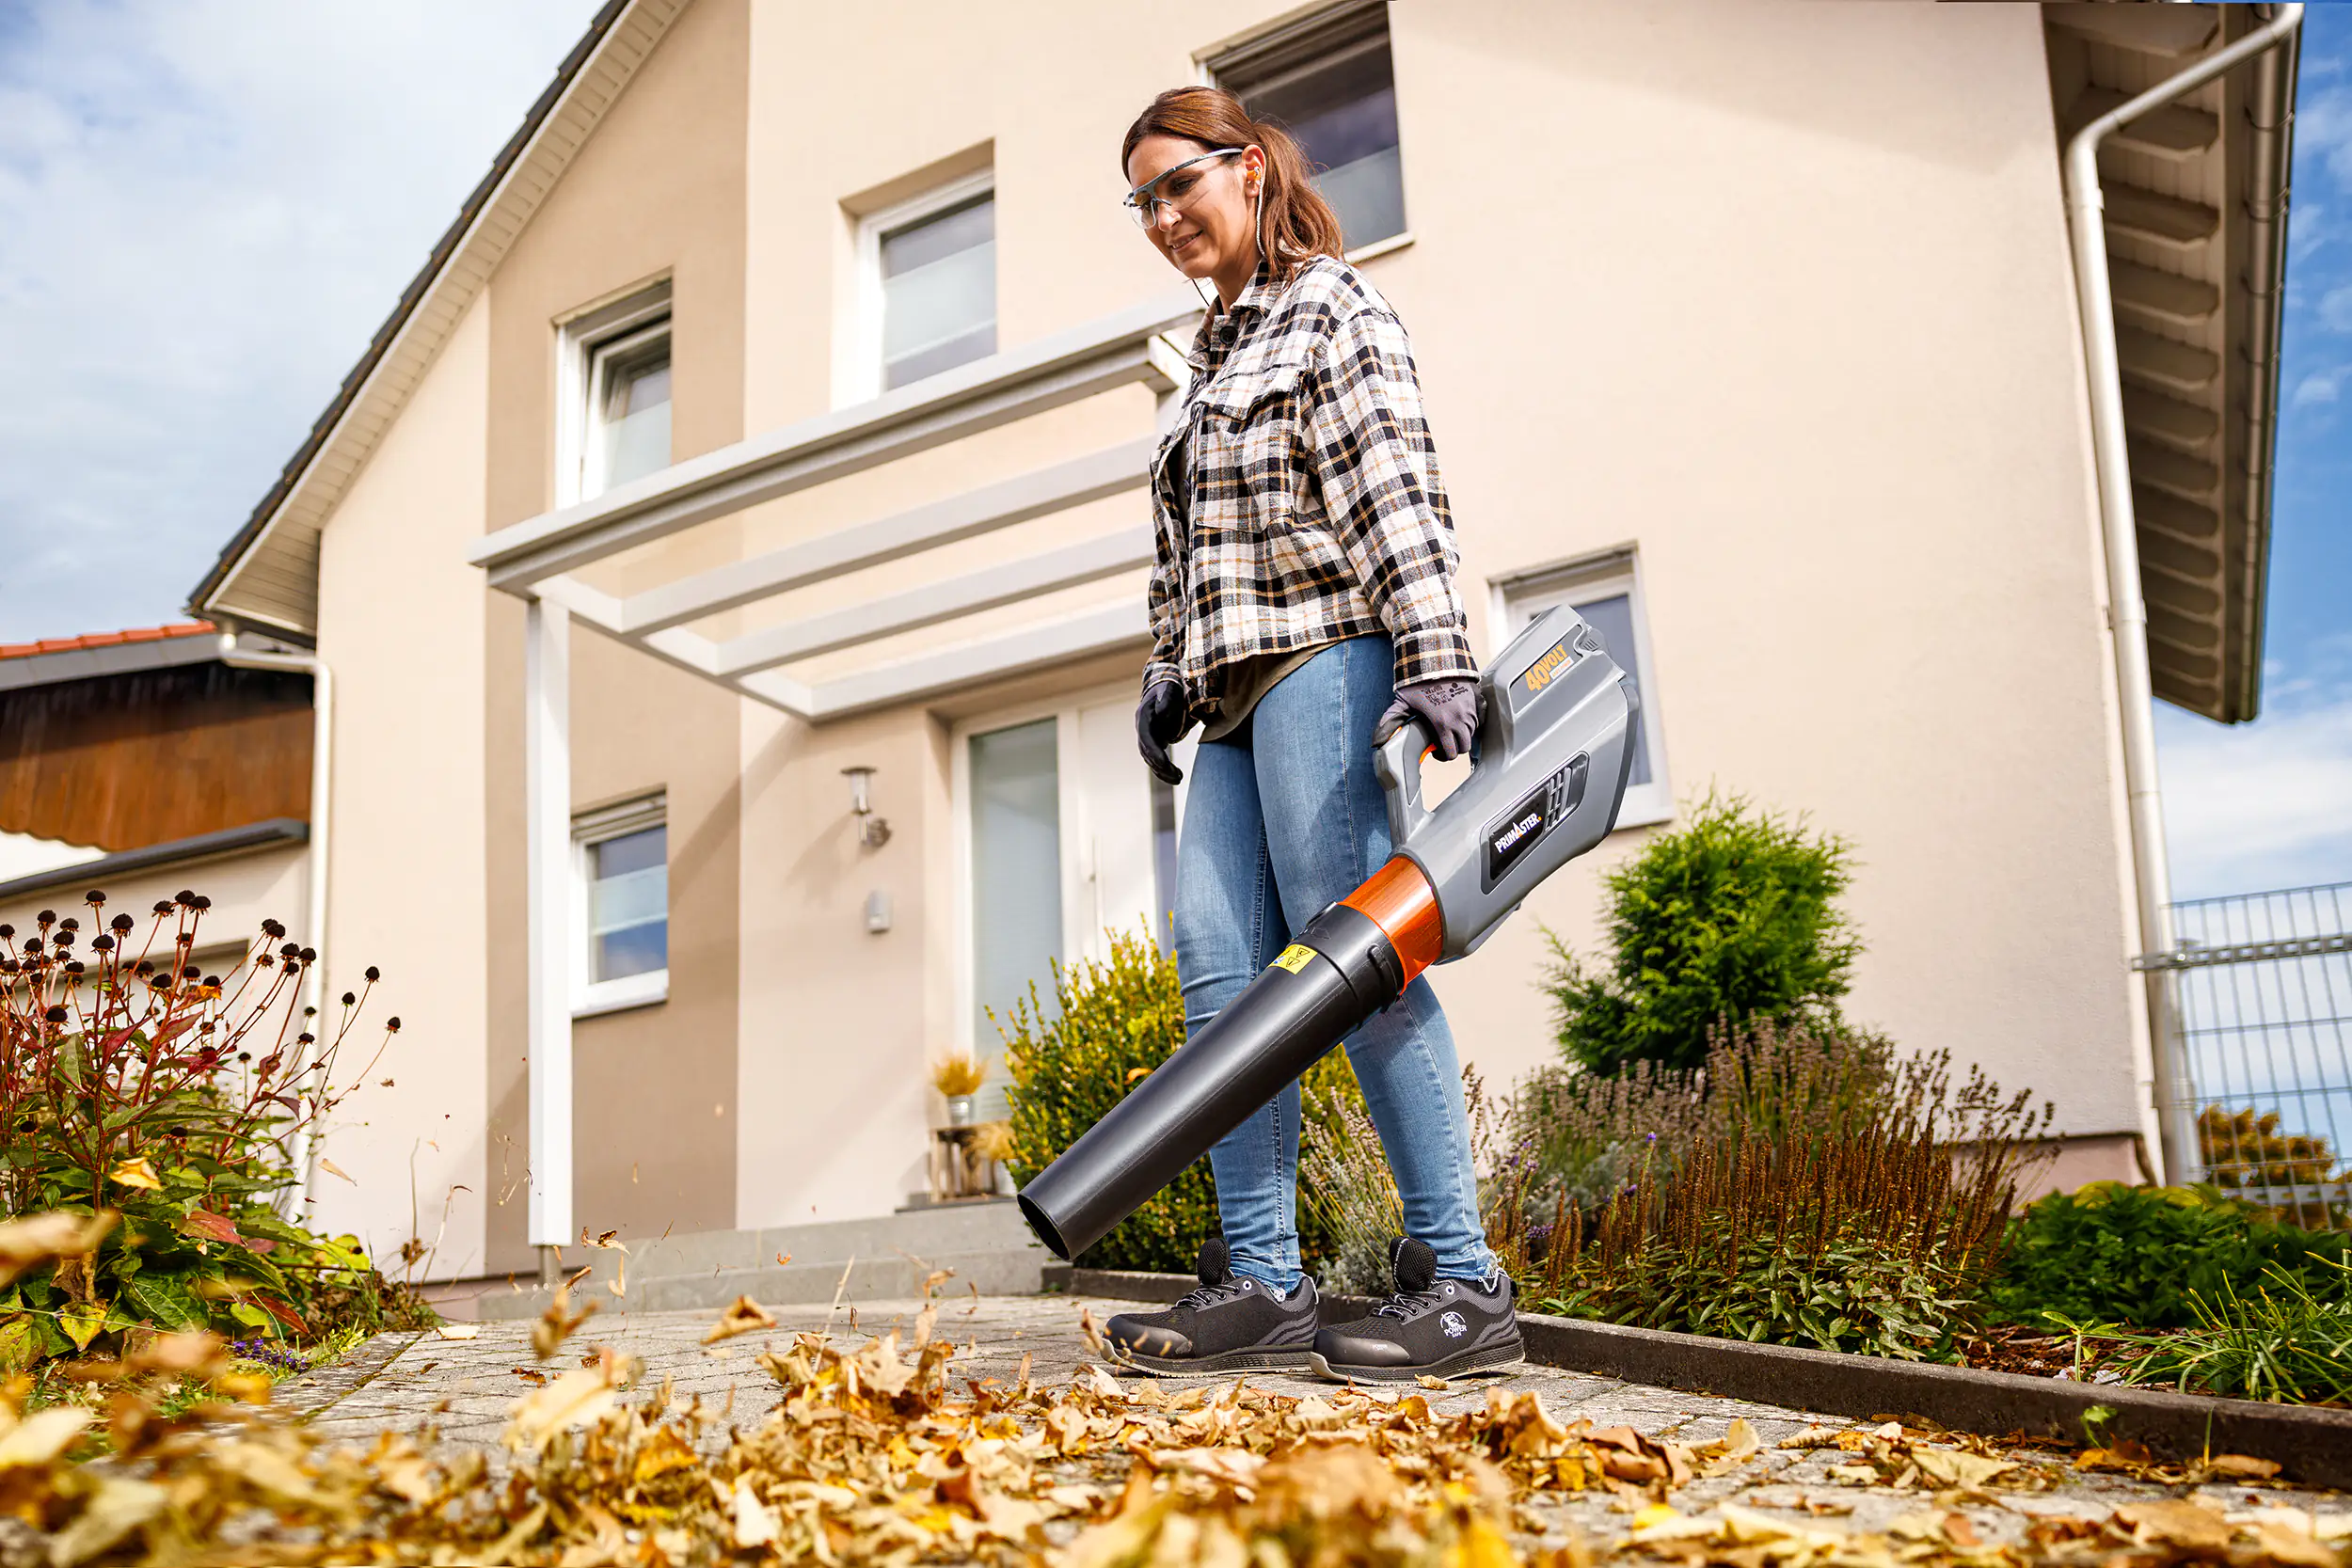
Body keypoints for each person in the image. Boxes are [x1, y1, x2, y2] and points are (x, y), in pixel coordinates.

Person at [1101, 86, 1522, 1384]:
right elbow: (1192, 549)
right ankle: (1265, 1280)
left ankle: (1464, 1278)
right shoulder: (1202, 359)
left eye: (1180, 183)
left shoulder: (1334, 307)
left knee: (1358, 954)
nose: (1165, 214)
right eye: (1144, 201)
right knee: (1219, 976)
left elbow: (1397, 482)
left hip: (1323, 656)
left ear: (1251, 167)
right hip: (1227, 691)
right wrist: (1167, 667)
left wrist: (1436, 651)